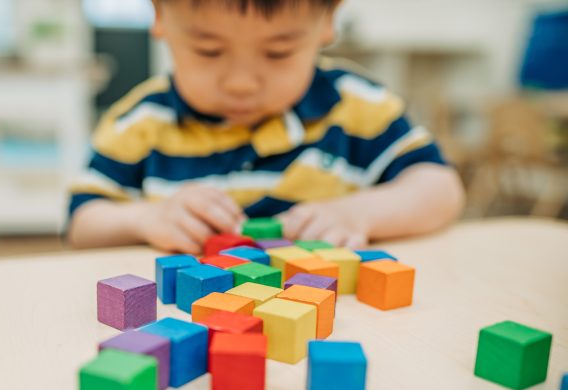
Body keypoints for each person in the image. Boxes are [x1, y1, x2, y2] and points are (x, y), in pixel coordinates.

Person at [67, 0, 465, 254]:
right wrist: (145, 219)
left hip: (334, 326)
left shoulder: (358, 107)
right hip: (189, 323)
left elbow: (441, 189)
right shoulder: (139, 122)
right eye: (209, 50)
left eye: (278, 52)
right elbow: (82, 223)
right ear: (158, 15)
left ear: (328, 19)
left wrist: (360, 212)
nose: (242, 82)